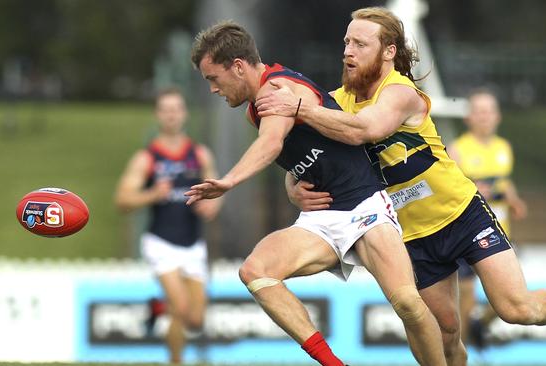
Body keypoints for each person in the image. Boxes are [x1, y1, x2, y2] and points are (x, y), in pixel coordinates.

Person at [254, 6, 546, 365]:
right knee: (445, 334)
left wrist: (301, 108)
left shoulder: (398, 91)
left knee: (515, 308)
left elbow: (366, 129)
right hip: (410, 237)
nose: (348, 52)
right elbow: (314, 156)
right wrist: (292, 185)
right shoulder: (336, 102)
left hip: (461, 213)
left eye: (359, 45)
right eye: (346, 43)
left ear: (389, 51)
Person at [185, 21, 447, 366]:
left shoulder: (276, 89)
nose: (214, 90)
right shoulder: (256, 108)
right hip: (322, 218)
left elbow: (271, 142)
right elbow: (303, 154)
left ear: (237, 67)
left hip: (363, 205)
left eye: (213, 79)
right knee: (256, 271)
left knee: (408, 304)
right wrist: (292, 186)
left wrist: (228, 181)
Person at [114, 87, 222, 364]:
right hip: (160, 242)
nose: (172, 115)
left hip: (193, 242)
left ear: (184, 113)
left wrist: (211, 205)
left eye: (176, 109)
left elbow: (217, 190)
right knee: (182, 308)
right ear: (157, 115)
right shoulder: (147, 158)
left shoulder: (199, 155)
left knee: (195, 320)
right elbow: (122, 200)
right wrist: (152, 194)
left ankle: (157, 307)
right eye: (166, 110)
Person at [447, 89, 528, 347]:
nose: (485, 117)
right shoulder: (457, 150)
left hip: (501, 233)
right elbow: (447, 189)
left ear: (498, 116)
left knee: (515, 296)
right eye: (479, 111)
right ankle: (459, 354)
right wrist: (473, 189)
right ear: (469, 117)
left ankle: (479, 326)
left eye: (489, 111)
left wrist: (514, 200)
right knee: (467, 294)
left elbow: (504, 182)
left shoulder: (504, 148)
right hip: (469, 234)